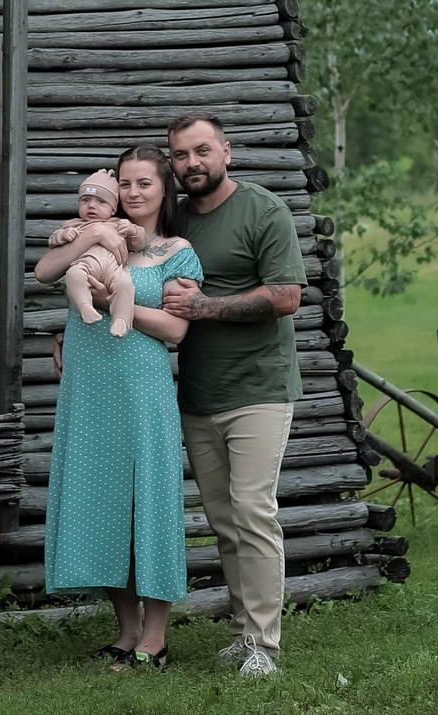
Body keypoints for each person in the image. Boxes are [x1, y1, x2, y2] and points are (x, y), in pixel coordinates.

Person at [35, 144, 203, 671]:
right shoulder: (95, 230)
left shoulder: (177, 251)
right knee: (101, 499)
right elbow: (45, 271)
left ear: (163, 189)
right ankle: (127, 631)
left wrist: (113, 305)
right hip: (88, 385)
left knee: (146, 503)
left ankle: (156, 638)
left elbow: (177, 330)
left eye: (143, 184)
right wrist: (90, 235)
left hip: (141, 387)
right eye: (125, 184)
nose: (132, 193)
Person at [160, 109, 306, 679]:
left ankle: (265, 647)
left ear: (227, 152)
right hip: (198, 392)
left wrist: (204, 308)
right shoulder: (173, 220)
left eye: (201, 151)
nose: (191, 163)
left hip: (259, 388)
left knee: (252, 511)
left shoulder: (263, 210)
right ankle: (243, 631)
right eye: (180, 155)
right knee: (222, 519)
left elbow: (287, 295)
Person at [56, 169, 143, 337]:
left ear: (113, 209)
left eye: (101, 201)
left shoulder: (119, 224)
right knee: (73, 275)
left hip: (114, 269)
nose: (92, 205)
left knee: (125, 285)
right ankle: (84, 306)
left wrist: (133, 230)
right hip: (85, 266)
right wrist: (63, 235)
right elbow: (54, 239)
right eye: (85, 200)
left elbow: (140, 243)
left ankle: (122, 319)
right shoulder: (73, 225)